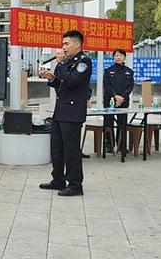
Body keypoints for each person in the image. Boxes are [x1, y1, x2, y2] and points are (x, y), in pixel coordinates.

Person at [38, 30, 91, 197]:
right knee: (57, 149)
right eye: (63, 44)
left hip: (73, 113)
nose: (63, 47)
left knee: (71, 150)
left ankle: (75, 185)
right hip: (60, 111)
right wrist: (51, 78)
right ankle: (58, 180)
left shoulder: (84, 62)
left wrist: (59, 65)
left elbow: (72, 81)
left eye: (66, 44)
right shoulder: (68, 62)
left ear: (77, 44)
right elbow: (62, 85)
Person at [103, 49, 134, 153]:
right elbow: (106, 85)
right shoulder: (108, 70)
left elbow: (130, 87)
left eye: (121, 55)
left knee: (122, 122)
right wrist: (115, 96)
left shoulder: (129, 71)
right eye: (116, 55)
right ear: (113, 57)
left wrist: (122, 98)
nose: (118, 57)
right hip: (110, 100)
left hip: (124, 101)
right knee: (108, 122)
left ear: (124, 57)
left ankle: (121, 145)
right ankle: (109, 145)